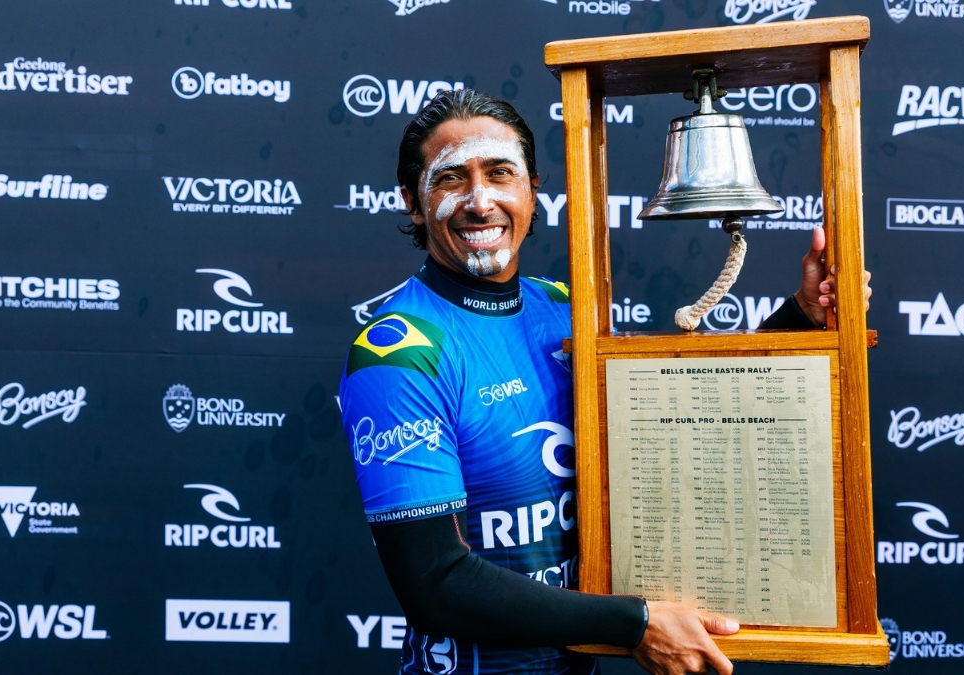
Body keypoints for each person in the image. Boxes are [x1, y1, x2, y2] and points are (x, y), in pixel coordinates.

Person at [339, 89, 870, 675]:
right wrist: (635, 624)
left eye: (500, 173)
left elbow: (684, 424)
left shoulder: (566, 312)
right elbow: (435, 584)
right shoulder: (397, 355)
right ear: (414, 204)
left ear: (532, 190)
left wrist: (802, 316)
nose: (479, 200)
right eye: (450, 180)